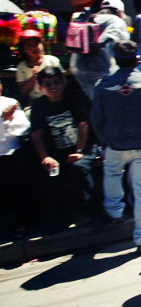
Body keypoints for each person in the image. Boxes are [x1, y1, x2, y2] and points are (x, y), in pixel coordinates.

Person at [91, 41, 141, 254]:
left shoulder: (103, 85)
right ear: (137, 60)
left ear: (116, 61)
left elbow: (96, 120)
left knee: (112, 174)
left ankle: (114, 212)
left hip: (115, 145)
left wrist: (105, 141)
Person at [30, 67, 99, 232]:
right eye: (48, 84)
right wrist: (45, 157)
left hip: (83, 148)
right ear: (40, 87)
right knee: (50, 175)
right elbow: (36, 133)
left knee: (78, 169)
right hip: (56, 153)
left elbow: (83, 124)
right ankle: (60, 218)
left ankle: (89, 213)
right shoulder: (39, 105)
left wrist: (80, 150)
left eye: (56, 82)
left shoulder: (75, 97)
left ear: (63, 82)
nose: (53, 86)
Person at [69, 0, 130, 101]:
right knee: (108, 104)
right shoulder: (117, 21)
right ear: (120, 11)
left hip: (78, 68)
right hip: (102, 71)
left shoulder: (89, 17)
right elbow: (123, 47)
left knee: (96, 102)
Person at [0, 78, 32, 239]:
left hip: (13, 152)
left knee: (17, 186)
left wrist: (6, 124)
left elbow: (23, 127)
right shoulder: (6, 110)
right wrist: (3, 119)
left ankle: (21, 224)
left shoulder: (11, 102)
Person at [15, 29, 62, 105]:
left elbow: (63, 82)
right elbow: (23, 92)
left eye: (36, 44)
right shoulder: (21, 67)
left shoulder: (53, 60)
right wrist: (33, 78)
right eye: (29, 45)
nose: (34, 48)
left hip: (56, 99)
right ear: (24, 49)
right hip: (35, 102)